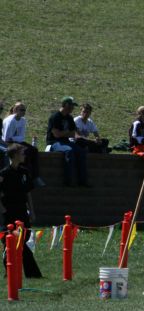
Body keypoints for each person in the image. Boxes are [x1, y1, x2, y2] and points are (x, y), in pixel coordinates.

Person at [0, 144, 42, 278]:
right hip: (9, 213)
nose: (24, 155)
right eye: (22, 153)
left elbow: (28, 193)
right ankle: (32, 274)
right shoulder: (3, 174)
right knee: (13, 241)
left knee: (23, 240)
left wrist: (32, 211)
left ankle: (11, 271)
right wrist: (2, 209)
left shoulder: (24, 172)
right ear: (15, 155)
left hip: (22, 211)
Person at [45, 96, 89, 187]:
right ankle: (68, 181)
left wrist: (63, 133)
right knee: (69, 151)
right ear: (66, 105)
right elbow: (56, 135)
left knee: (81, 152)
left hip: (66, 142)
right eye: (72, 106)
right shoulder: (55, 117)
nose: (73, 108)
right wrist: (66, 132)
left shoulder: (69, 118)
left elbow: (73, 134)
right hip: (54, 142)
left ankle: (82, 181)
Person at [2, 102, 42, 186]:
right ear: (16, 110)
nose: (24, 112)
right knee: (24, 152)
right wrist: (15, 139)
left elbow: (22, 137)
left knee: (34, 150)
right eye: (22, 110)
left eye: (25, 110)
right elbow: (6, 138)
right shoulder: (10, 121)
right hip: (8, 143)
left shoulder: (23, 120)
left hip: (17, 141)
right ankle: (25, 178)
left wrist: (14, 138)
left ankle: (36, 177)